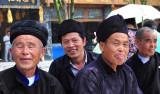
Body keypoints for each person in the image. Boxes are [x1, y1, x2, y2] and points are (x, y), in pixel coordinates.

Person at [72, 15, 143, 94]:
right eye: (116, 43)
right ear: (102, 46)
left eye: (125, 44)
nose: (122, 49)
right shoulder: (89, 76)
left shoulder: (127, 72)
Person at [0, 20, 65, 94]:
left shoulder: (52, 85)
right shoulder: (1, 82)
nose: (25, 52)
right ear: (11, 52)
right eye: (20, 46)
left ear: (42, 52)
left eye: (31, 46)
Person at [49, 19, 99, 94]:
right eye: (66, 42)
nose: (71, 45)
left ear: (84, 41)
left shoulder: (98, 61)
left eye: (75, 40)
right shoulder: (56, 67)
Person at [126, 27, 160, 94]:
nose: (152, 45)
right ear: (137, 42)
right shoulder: (129, 65)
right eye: (148, 41)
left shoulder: (158, 59)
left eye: (155, 41)